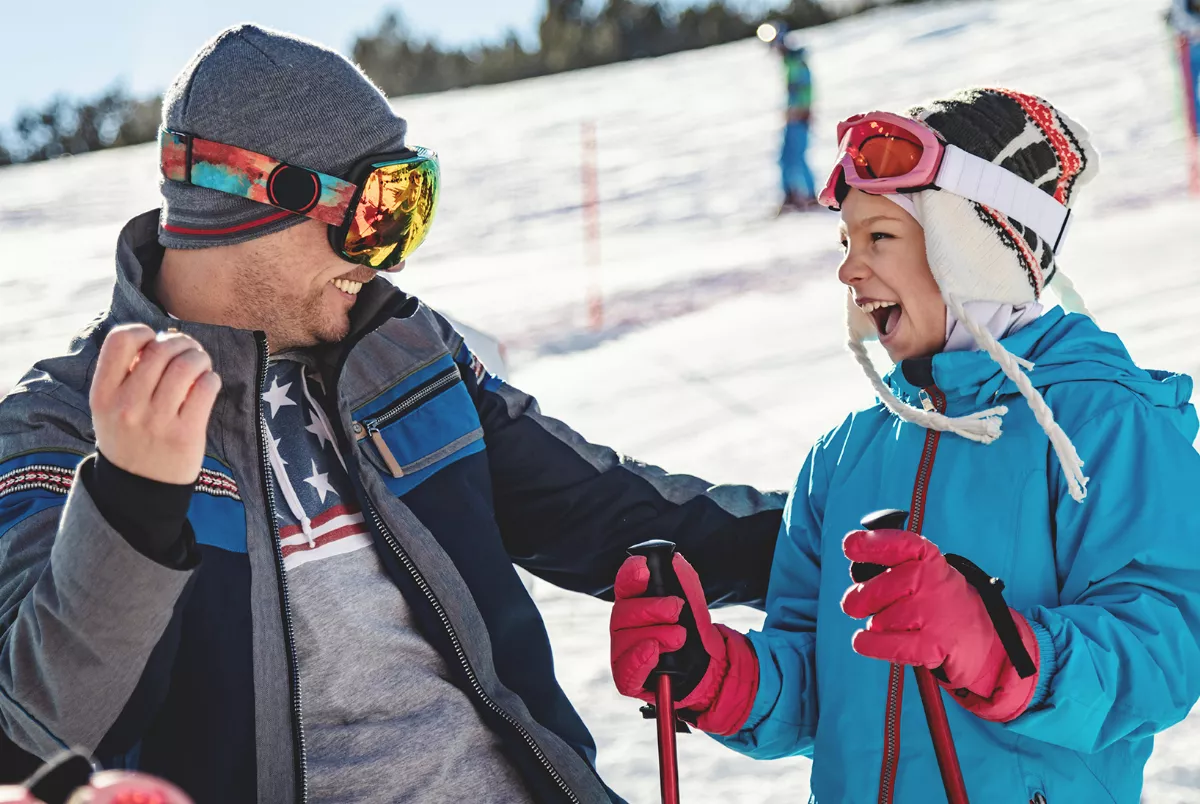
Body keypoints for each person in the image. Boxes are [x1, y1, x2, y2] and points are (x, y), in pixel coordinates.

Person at [0, 25, 785, 804]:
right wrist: (132, 504)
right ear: (257, 196)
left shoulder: (397, 351)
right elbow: (35, 739)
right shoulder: (62, 428)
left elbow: (604, 511)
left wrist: (834, 535)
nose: (392, 259)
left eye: (412, 210)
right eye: (378, 212)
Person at [608, 88, 1200, 802]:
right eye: (847, 242)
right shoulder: (846, 455)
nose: (849, 270)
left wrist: (1000, 650)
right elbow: (815, 676)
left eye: (881, 237)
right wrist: (718, 675)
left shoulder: (1103, 421)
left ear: (976, 248)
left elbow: (1165, 645)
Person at [769, 25, 817, 213]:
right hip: (792, 117)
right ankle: (790, 196)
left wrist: (802, 109)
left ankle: (810, 196)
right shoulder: (788, 63)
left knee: (797, 157)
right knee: (785, 158)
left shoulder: (796, 61)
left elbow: (804, 88)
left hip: (799, 117)